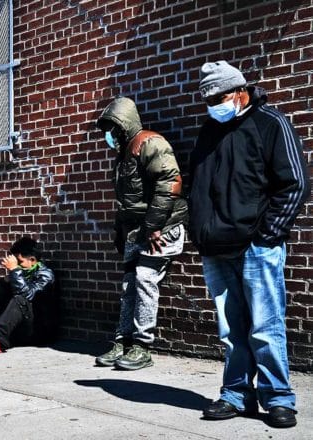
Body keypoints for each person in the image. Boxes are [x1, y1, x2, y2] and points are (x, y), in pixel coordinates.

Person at [189, 60, 309, 428]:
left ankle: (278, 397)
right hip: (216, 248)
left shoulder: (270, 123)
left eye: (220, 96)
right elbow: (198, 185)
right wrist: (199, 231)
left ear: (241, 91)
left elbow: (295, 182)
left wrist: (268, 233)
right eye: (208, 99)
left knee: (264, 326)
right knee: (230, 331)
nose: (214, 104)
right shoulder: (209, 131)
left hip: (256, 245)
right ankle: (236, 394)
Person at [94, 96, 188, 370]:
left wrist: (155, 226)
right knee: (129, 286)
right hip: (137, 231)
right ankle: (123, 341)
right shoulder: (122, 154)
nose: (109, 135)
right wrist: (119, 233)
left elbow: (169, 182)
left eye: (112, 128)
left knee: (145, 279)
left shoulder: (150, 143)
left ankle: (142, 346)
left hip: (161, 229)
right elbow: (126, 201)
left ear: (124, 125)